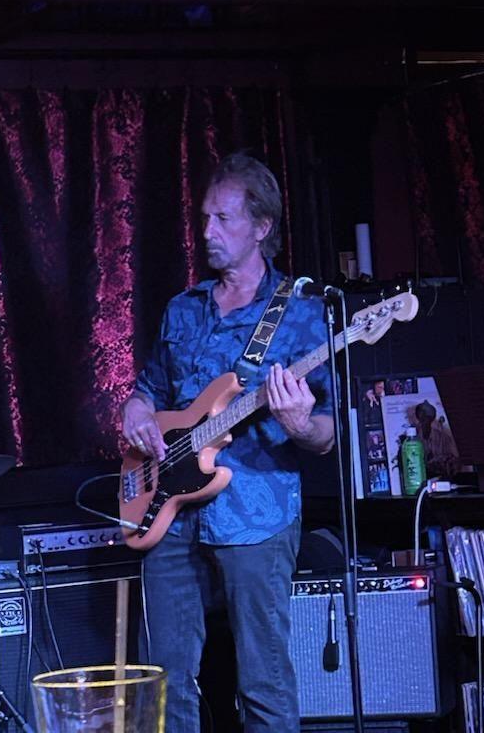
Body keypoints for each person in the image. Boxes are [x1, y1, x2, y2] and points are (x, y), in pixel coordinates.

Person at [120, 152, 335, 733]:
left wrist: (298, 423)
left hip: (257, 512)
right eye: (205, 218)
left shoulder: (302, 314)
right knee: (166, 675)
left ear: (262, 227)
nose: (207, 232)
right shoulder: (183, 310)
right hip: (168, 511)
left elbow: (327, 434)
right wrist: (135, 408)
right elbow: (149, 390)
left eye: (222, 219)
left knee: (262, 677)